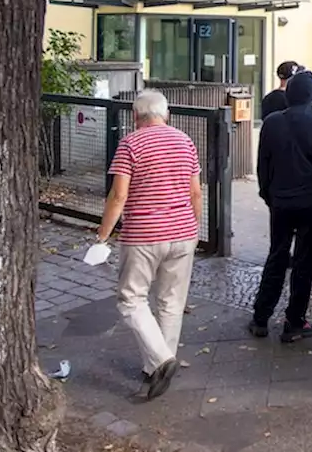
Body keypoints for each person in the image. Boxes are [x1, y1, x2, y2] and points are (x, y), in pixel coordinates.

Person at [97, 90, 202, 401]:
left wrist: (102, 235)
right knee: (171, 301)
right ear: (166, 114)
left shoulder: (130, 144)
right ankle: (156, 365)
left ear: (135, 116)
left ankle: (161, 361)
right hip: (183, 232)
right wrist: (193, 229)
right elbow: (195, 193)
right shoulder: (185, 141)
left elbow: (118, 196)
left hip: (143, 234)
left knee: (131, 299)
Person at [251, 71, 312, 343]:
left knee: (277, 255)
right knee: (304, 261)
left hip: (281, 199)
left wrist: (267, 193)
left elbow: (263, 164)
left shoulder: (272, 123)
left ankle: (261, 317)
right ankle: (295, 321)